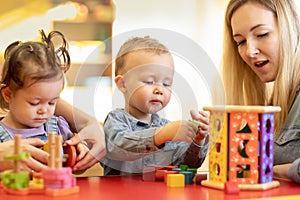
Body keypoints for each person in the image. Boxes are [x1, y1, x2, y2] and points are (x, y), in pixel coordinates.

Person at [102, 36, 209, 175]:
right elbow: (117, 148)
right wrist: (161, 135)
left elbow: (186, 164)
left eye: (166, 84)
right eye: (149, 81)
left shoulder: (167, 127)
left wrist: (198, 140)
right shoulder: (115, 120)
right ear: (123, 84)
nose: (160, 90)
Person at [222, 0, 300, 183]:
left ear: (294, 27)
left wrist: (273, 170)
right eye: (240, 42)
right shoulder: (276, 102)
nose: (250, 51)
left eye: (262, 34)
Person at [0, 29, 89, 173]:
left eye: (52, 102)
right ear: (8, 95)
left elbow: (75, 168)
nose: (44, 110)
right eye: (34, 103)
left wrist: (80, 152)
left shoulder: (58, 127)